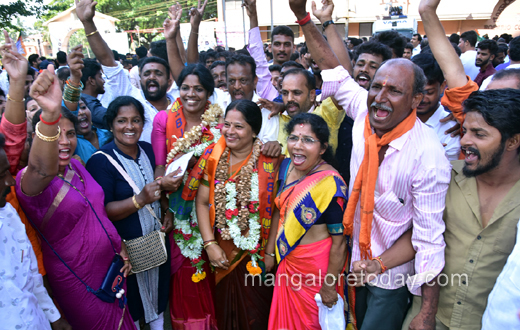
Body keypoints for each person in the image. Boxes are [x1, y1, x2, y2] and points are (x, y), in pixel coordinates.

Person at [287, 1, 451, 329]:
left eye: (395, 91)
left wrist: (427, 313)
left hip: (389, 279)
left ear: (417, 100)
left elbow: (429, 240)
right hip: (352, 261)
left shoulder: (428, 156)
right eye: (377, 86)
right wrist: (303, 17)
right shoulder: (366, 111)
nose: (380, 97)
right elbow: (332, 67)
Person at [401, 2, 520, 328]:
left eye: (479, 133)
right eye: (465, 129)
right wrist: (427, 13)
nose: (465, 139)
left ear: (513, 138)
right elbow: (453, 73)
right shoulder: (446, 174)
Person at [15, 65, 135, 330]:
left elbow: (98, 211)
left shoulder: (77, 165)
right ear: (38, 139)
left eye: (69, 134)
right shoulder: (30, 180)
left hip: (112, 268)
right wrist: (49, 112)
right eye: (55, 135)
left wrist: (119, 246)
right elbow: (41, 168)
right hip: (77, 278)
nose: (64, 142)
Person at [196, 99, 282, 330]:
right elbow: (203, 202)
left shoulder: (270, 162)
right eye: (227, 124)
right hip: (220, 252)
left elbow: (275, 212)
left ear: (254, 131)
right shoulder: (214, 158)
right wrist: (210, 244)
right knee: (223, 314)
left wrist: (269, 252)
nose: (230, 132)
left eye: (239, 126)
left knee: (256, 316)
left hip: (256, 253)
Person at [87, 96, 171, 330]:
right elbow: (102, 212)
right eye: (122, 121)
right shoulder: (101, 161)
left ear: (143, 124)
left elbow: (158, 188)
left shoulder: (147, 150)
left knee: (157, 299)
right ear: (111, 124)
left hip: (155, 244)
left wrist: (166, 210)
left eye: (135, 120)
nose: (130, 127)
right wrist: (139, 200)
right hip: (126, 252)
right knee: (130, 304)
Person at [151, 58, 221, 329]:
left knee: (212, 267)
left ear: (209, 93)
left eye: (199, 89)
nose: (191, 94)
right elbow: (160, 165)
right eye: (186, 87)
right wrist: (167, 201)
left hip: (211, 208)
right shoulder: (164, 119)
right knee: (186, 274)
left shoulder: (219, 123)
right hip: (176, 209)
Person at [267, 113, 348, 329]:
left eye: (308, 140)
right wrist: (268, 254)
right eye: (293, 138)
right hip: (287, 265)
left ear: (322, 148)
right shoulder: (285, 167)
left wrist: (330, 286)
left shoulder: (330, 184)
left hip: (316, 273)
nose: (298, 146)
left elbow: (340, 242)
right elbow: (279, 211)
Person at [0, 134, 72, 330]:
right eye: (1, 176)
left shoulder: (9, 215)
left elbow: (31, 275)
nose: (10, 182)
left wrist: (54, 318)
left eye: (7, 172)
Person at [411, 53, 460, 160]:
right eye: (416, 92)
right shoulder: (396, 117)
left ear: (442, 87)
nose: (422, 99)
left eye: (429, 92)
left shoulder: (450, 130)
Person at [75, 98, 112, 163]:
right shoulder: (73, 145)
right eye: (75, 111)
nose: (81, 112)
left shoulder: (108, 134)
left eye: (83, 107)